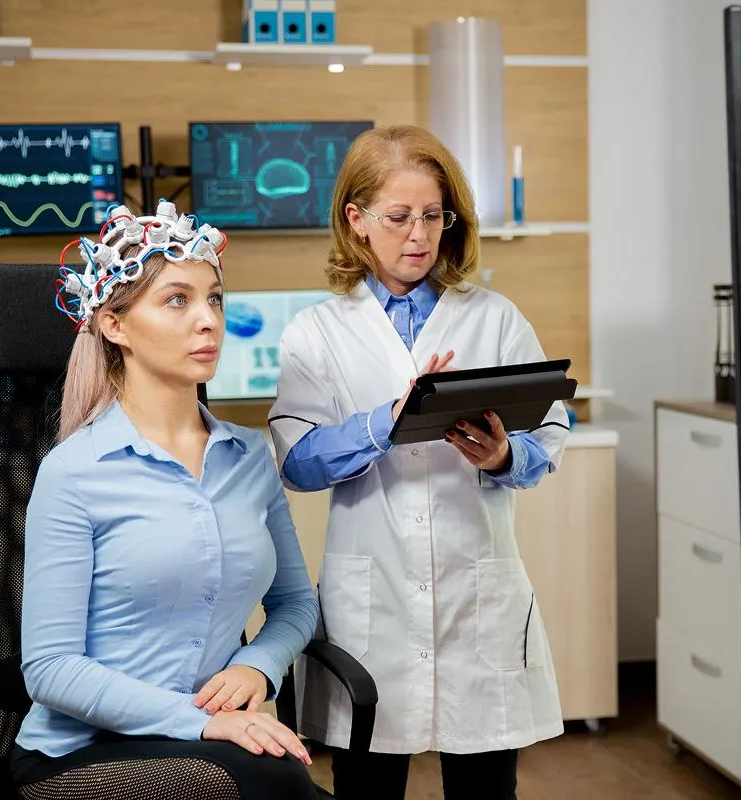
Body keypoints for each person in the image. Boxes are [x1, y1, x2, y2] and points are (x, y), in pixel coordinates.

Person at [268, 125, 571, 800]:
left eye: (434, 216)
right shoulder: (317, 331)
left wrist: (502, 455)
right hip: (373, 600)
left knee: (486, 786)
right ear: (357, 220)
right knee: (368, 784)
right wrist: (387, 423)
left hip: (477, 591)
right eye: (400, 217)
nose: (419, 235)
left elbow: (549, 430)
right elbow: (298, 462)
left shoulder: (492, 318)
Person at [9, 201, 321, 800]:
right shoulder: (73, 473)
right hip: (84, 752)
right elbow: (49, 668)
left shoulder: (250, 456)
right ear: (115, 325)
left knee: (273, 777)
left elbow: (294, 607)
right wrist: (204, 721)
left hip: (212, 744)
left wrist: (258, 665)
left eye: (215, 299)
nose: (208, 320)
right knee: (274, 779)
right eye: (178, 300)